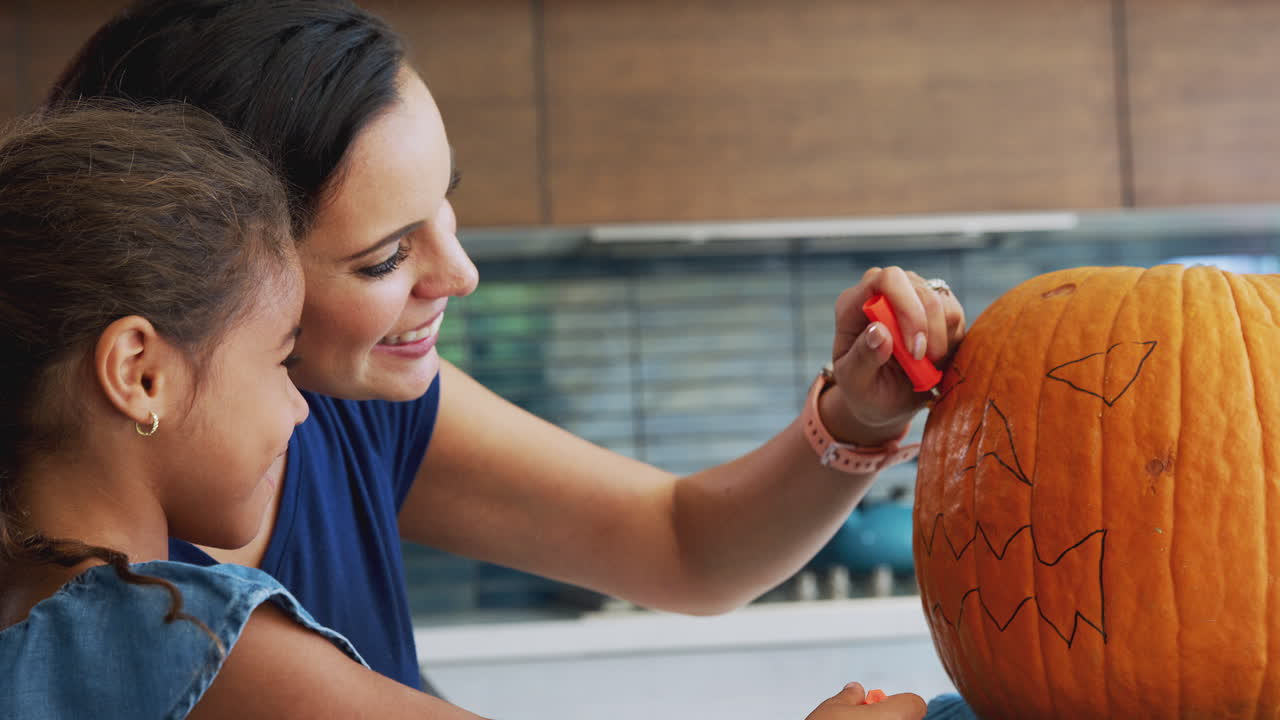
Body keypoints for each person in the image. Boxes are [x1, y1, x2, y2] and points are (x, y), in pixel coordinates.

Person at [49, 0, 963, 714]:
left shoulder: (350, 398)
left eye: (444, 210)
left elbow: (681, 543)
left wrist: (857, 420)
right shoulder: (145, 622)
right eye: (386, 256)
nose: (461, 273)